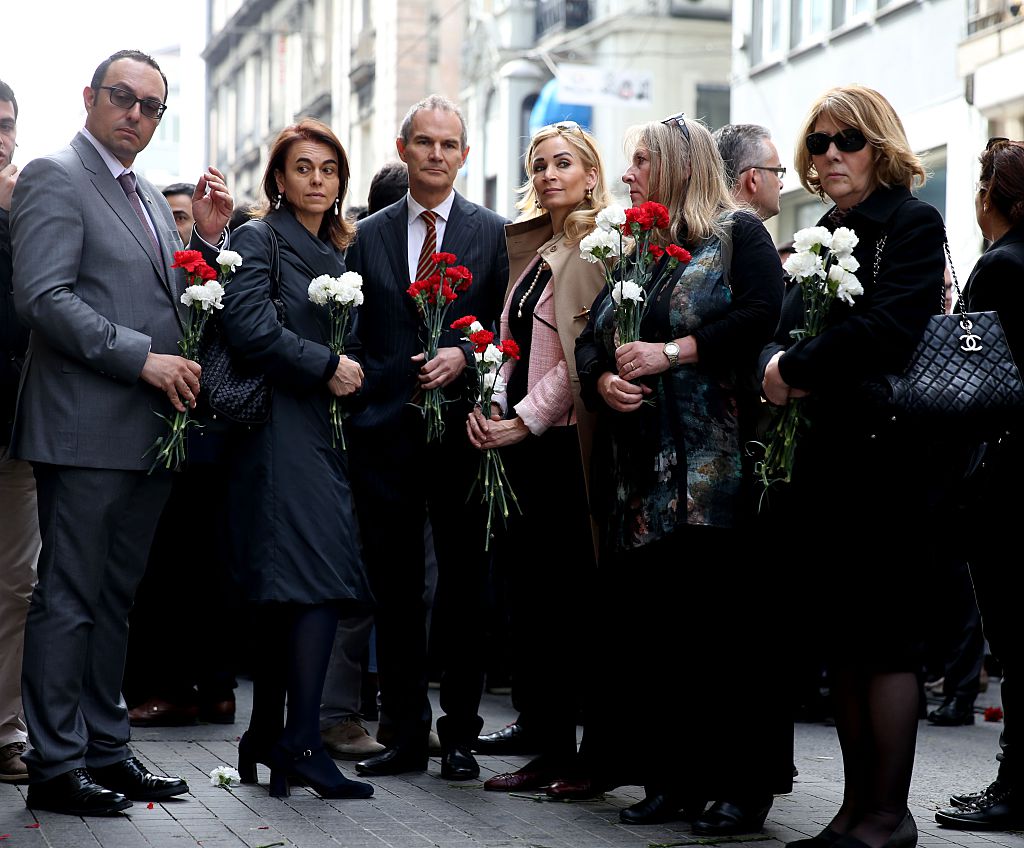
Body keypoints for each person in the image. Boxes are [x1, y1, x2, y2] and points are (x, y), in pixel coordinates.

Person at [10, 49, 233, 816]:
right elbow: (43, 297)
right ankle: (55, 765)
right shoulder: (55, 175)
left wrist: (206, 245)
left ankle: (106, 751)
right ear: (90, 96)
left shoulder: (144, 195)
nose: (135, 113)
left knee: (114, 600)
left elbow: (167, 298)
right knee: (69, 598)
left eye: (150, 105)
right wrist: (141, 359)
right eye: (122, 96)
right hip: (82, 429)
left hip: (146, 430)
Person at [574, 113, 789, 831]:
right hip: (644, 477)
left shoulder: (737, 234)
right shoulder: (640, 249)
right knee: (660, 633)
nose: (627, 174)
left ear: (678, 165)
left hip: (715, 469)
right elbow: (592, 337)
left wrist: (674, 353)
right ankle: (672, 778)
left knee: (721, 636)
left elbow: (761, 315)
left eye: (640, 160)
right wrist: (603, 379)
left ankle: (740, 787)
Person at [759, 85, 947, 848]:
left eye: (848, 141)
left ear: (881, 146)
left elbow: (891, 328)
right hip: (827, 463)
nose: (831, 154)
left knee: (886, 643)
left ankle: (887, 816)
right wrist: (772, 362)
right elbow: (781, 326)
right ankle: (853, 811)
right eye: (818, 143)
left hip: (889, 463)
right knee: (843, 645)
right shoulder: (824, 229)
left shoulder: (911, 222)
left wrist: (794, 368)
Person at [344, 94, 508, 781]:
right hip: (386, 433)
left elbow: (503, 329)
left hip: (464, 434)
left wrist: (464, 355)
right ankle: (404, 733)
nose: (435, 154)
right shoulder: (368, 234)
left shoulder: (492, 232)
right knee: (396, 591)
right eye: (424, 142)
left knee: (465, 589)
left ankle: (460, 735)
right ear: (403, 148)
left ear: (464, 155)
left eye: (448, 145)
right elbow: (355, 331)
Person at [215, 118, 373, 801]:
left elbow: (343, 337)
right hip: (277, 429)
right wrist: (326, 365)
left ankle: (267, 735)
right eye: (303, 168)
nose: (317, 180)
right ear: (278, 178)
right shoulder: (258, 238)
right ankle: (301, 743)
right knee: (315, 584)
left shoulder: (336, 249)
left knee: (296, 588)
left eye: (328, 170)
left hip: (322, 431)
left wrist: (346, 368)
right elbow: (249, 328)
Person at [466, 121, 611, 791]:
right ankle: (544, 735)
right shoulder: (540, 247)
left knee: (567, 603)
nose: (549, 175)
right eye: (539, 165)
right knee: (533, 599)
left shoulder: (597, 244)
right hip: (527, 444)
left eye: (563, 163)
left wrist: (522, 420)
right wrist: (495, 403)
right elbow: (515, 344)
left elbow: (578, 359)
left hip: (564, 447)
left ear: (590, 174)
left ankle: (573, 752)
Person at [935, 137, 1024, 831]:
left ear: (995, 199)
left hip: (1007, 477)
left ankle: (1014, 789)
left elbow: (966, 379)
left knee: (1014, 637)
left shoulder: (1000, 266)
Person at [0, 77, 39, 786]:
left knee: (16, 584)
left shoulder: (26, 204)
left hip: (14, 422)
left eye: (6, 125)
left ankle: (5, 729)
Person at [713, 123, 785, 220]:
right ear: (753, 179)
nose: (781, 184)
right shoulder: (746, 227)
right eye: (776, 172)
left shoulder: (699, 226)